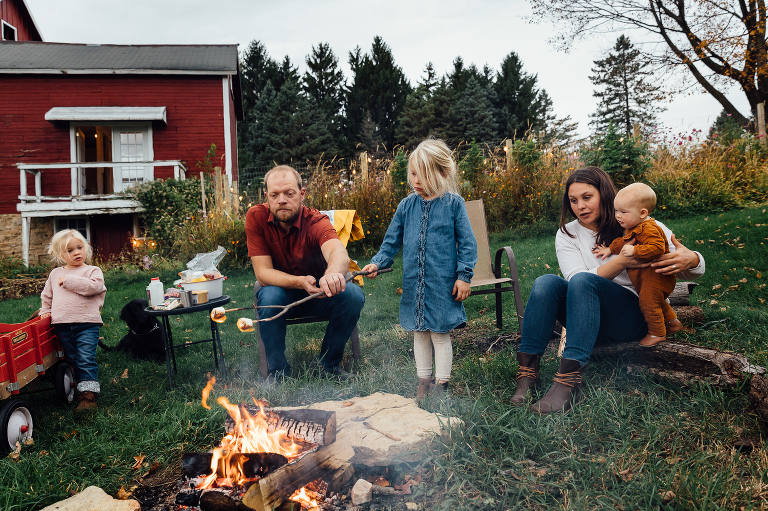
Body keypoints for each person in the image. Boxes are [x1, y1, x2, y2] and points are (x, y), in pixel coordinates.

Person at [512, 167, 705, 414]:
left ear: (604, 195)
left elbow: (688, 265)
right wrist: (621, 262)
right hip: (587, 320)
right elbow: (573, 279)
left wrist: (693, 259)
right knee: (546, 282)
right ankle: (527, 375)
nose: (580, 206)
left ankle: (568, 383)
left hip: (633, 317)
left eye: (587, 197)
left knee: (583, 281)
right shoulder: (567, 233)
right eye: (573, 200)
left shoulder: (636, 221)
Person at [362, 138, 478, 399]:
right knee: (420, 334)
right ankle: (423, 384)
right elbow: (391, 242)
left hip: (442, 284)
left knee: (439, 334)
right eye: (413, 173)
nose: (416, 180)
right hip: (415, 284)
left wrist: (464, 276)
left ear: (443, 173)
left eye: (423, 175)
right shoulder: (406, 206)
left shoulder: (453, 204)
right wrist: (378, 263)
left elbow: (468, 245)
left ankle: (442, 386)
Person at [245, 165, 365, 385]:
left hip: (320, 293)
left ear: (302, 194)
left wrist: (331, 274)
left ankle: (328, 365)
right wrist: (298, 282)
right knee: (269, 296)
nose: (282, 200)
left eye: (289, 193)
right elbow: (262, 273)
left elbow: (338, 253)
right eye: (275, 195)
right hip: (282, 294)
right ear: (267, 197)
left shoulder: (316, 221)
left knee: (354, 296)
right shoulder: (256, 217)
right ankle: (278, 373)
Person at [594, 182, 681, 347]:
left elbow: (656, 248)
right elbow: (625, 242)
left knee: (648, 303)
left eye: (623, 212)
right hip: (649, 277)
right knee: (658, 300)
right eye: (616, 211)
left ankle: (656, 333)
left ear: (643, 213)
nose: (618, 216)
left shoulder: (649, 229)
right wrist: (609, 249)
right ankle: (673, 323)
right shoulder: (635, 226)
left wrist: (635, 251)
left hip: (657, 276)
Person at [40, 229, 106, 412]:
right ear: (60, 254)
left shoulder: (91, 271)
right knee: (73, 358)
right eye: (70, 250)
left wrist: (68, 280)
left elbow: (95, 287)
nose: (76, 252)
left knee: (85, 358)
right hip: (63, 325)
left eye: (79, 247)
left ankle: (88, 398)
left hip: (87, 323)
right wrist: (46, 311)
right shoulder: (55, 275)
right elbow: (47, 296)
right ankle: (77, 387)